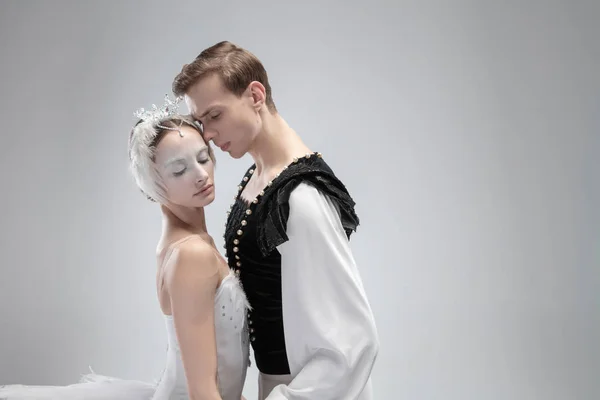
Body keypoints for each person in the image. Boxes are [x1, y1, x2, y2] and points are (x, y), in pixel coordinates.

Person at [0, 95, 250, 400]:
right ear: (154, 183)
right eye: (179, 169)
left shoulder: (183, 244)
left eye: (202, 158)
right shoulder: (191, 254)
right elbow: (202, 392)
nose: (200, 175)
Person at [172, 41, 379, 400]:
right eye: (201, 122)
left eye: (215, 116)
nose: (207, 135)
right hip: (276, 386)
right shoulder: (258, 178)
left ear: (255, 95)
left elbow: (353, 342)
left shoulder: (301, 198)